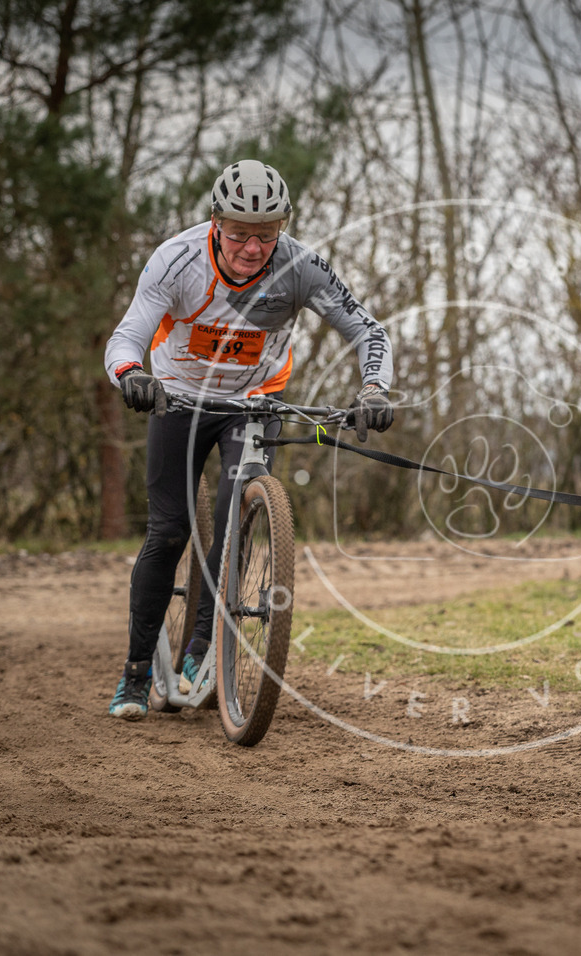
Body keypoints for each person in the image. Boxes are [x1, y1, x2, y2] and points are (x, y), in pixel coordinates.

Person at [104, 159, 394, 719]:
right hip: (178, 398)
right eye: (239, 233)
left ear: (283, 227)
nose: (253, 248)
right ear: (216, 222)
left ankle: (200, 648)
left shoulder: (300, 266)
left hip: (256, 401)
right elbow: (127, 335)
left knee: (234, 518)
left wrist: (375, 389)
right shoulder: (176, 259)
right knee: (169, 531)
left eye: (267, 234)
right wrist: (131, 374)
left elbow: (368, 330)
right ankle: (136, 671)